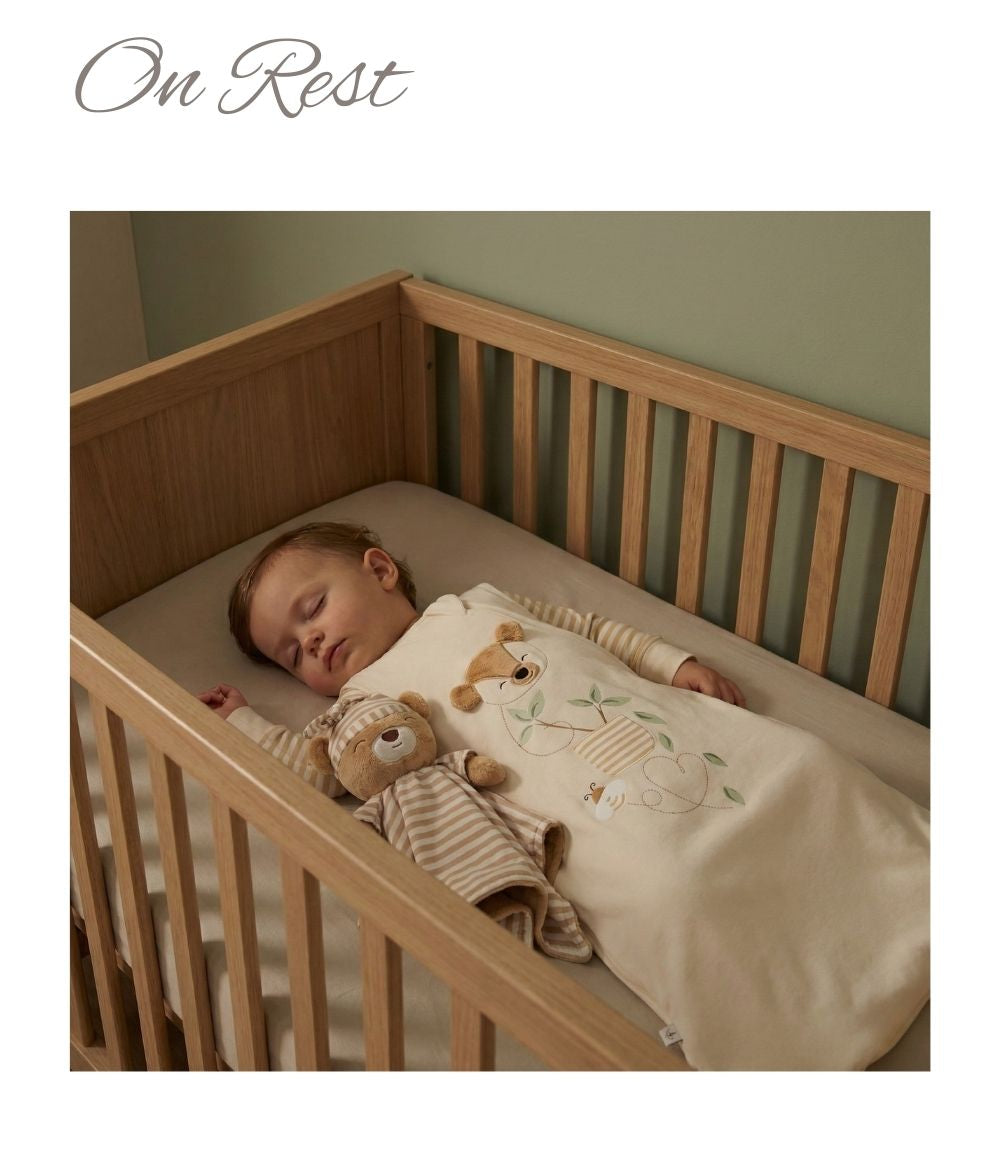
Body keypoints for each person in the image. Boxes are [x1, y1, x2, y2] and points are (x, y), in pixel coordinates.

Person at [197, 521, 745, 788]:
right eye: (294, 655)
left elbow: (586, 629)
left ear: (381, 571)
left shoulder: (477, 603)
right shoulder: (362, 707)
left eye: (314, 608)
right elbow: (319, 769)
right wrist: (242, 721)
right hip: (577, 786)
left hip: (630, 721)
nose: (312, 641)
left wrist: (672, 663)